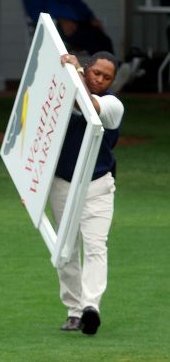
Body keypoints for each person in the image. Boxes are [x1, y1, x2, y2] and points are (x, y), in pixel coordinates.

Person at [49, 52, 124, 335]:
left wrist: (77, 70)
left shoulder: (113, 104)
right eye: (96, 73)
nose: (100, 80)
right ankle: (73, 309)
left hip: (98, 184)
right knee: (66, 248)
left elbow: (89, 105)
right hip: (62, 183)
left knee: (96, 246)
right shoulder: (63, 95)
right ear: (89, 69)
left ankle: (90, 307)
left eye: (107, 77)